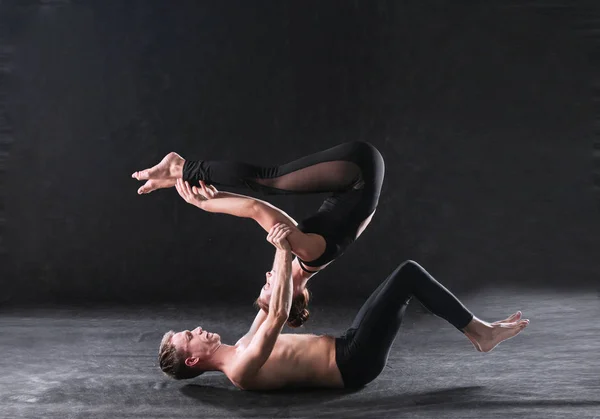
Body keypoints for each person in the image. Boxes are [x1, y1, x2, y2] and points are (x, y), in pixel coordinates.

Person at [158, 223, 530, 390]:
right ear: (192, 359)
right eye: (189, 336)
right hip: (354, 362)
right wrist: (280, 249)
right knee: (407, 275)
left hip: (348, 346)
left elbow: (277, 302)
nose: (197, 329)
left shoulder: (241, 345)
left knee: (405, 277)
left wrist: (308, 260)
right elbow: (274, 316)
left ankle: (479, 332)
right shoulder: (240, 367)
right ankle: (480, 334)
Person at [132, 142, 385, 327]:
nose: (266, 276)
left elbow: (269, 211)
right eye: (268, 286)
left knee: (272, 183)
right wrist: (204, 205)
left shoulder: (311, 257)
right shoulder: (311, 252)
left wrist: (217, 197)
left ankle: (175, 175)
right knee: (270, 179)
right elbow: (256, 209)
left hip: (359, 174)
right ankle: (180, 166)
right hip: (358, 170)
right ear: (291, 292)